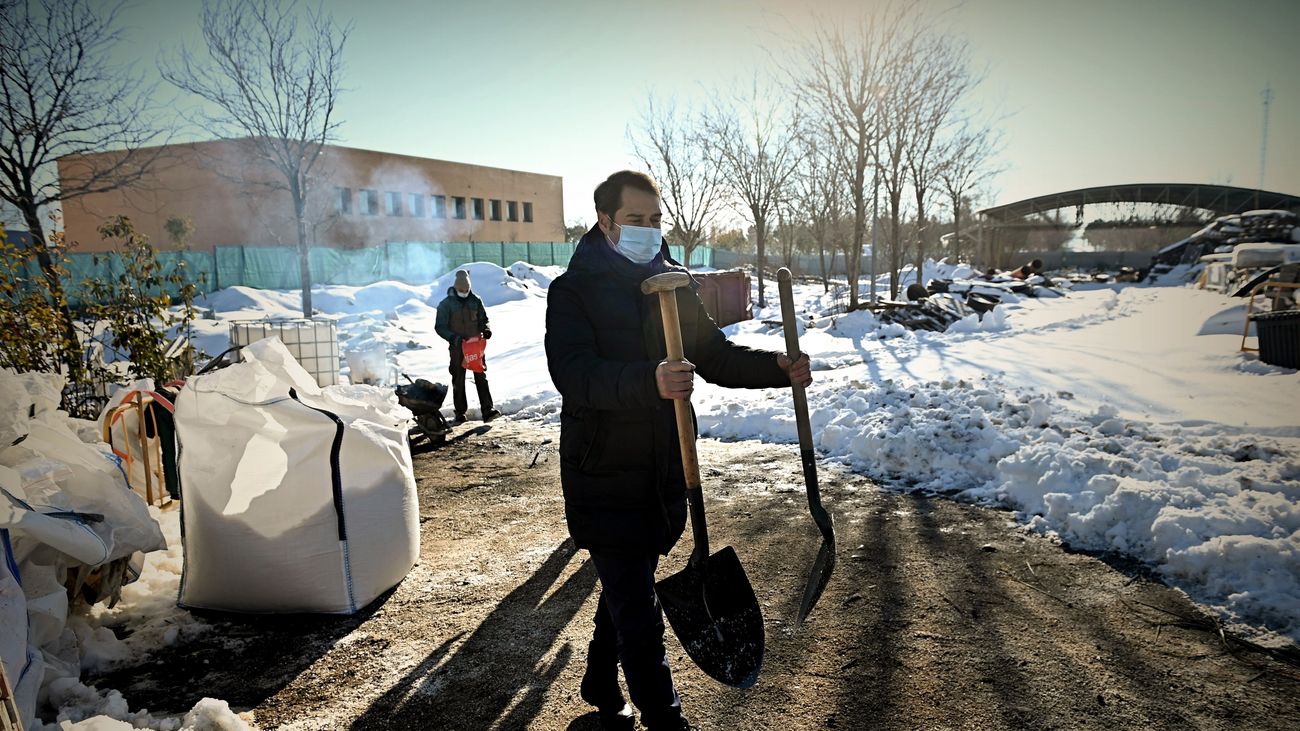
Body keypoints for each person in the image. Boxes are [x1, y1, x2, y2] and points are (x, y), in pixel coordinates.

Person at [545, 171, 812, 731]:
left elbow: (714, 356)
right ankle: (666, 719)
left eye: (654, 219)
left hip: (666, 466)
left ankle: (600, 678)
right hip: (603, 472)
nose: (648, 229)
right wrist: (651, 380)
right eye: (635, 220)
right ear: (605, 221)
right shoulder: (573, 291)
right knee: (639, 612)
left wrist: (776, 368)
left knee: (630, 585)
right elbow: (575, 374)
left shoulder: (673, 282)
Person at [435, 269, 500, 423]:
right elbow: (440, 327)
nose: (464, 292)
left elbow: (484, 319)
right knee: (458, 379)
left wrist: (486, 329)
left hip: (475, 346)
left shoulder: (475, 300)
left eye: (467, 290)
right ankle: (460, 412)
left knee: (481, 377)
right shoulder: (446, 304)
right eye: (461, 290)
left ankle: (488, 410)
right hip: (458, 347)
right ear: (456, 288)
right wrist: (453, 338)